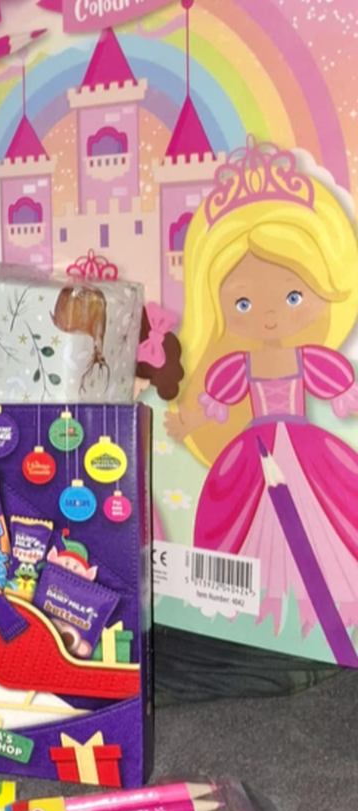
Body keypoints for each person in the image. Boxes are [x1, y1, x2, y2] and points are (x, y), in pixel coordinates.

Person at [165, 138, 358, 638]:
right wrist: (188, 422)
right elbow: (216, 402)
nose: (269, 315)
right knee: (254, 525)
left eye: (293, 296)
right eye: (244, 304)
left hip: (303, 449)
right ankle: (262, 609)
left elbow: (341, 391)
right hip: (254, 452)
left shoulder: (307, 358)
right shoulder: (240, 365)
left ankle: (322, 603)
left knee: (320, 518)